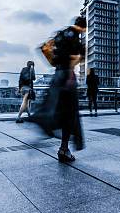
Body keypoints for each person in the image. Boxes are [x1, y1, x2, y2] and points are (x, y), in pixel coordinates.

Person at [33, 16, 86, 163]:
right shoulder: (76, 37)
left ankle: (45, 127)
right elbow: (75, 57)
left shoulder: (61, 34)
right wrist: (70, 72)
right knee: (69, 114)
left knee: (54, 108)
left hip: (57, 76)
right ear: (83, 28)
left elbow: (46, 49)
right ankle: (64, 149)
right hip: (67, 76)